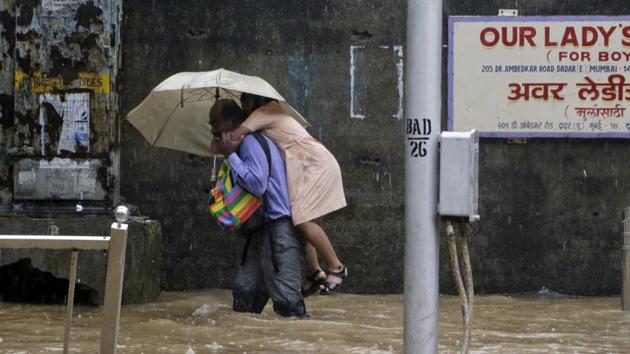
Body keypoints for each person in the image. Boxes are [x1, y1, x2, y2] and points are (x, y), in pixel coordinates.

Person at [226, 93, 348, 296]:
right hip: (306, 166)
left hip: (315, 165)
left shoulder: (264, 112)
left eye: (244, 101)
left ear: (255, 101)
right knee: (299, 218)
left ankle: (337, 268)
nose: (243, 106)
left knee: (302, 222)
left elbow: (234, 137)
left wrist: (221, 144)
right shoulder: (271, 113)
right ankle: (313, 272)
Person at [209, 99, 307, 317]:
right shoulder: (243, 145)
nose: (213, 129)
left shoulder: (251, 142)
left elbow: (257, 183)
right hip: (261, 228)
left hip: (277, 227)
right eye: (211, 125)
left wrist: (230, 155)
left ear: (233, 121)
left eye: (216, 123)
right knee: (245, 294)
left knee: (288, 304)